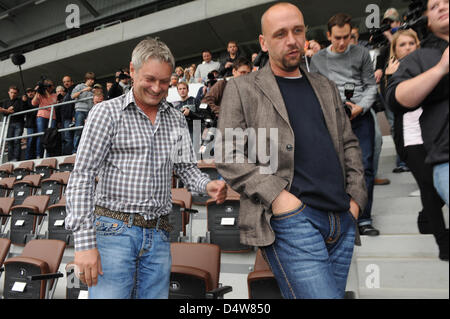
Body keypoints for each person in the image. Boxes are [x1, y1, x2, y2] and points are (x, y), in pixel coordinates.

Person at [216, 2, 366, 299]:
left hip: (341, 218)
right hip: (292, 220)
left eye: (297, 31)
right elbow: (226, 152)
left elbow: (349, 143)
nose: (291, 40)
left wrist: (356, 201)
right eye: (280, 34)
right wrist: (279, 197)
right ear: (263, 42)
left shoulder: (325, 86)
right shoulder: (242, 88)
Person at [65, 37, 227, 299]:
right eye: (150, 79)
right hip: (113, 231)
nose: (157, 88)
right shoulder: (105, 113)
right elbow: (82, 177)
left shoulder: (175, 118)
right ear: (132, 70)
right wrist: (84, 245)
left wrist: (206, 184)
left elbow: (186, 168)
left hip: (160, 235)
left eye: (164, 82)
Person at [310, 13, 379, 236]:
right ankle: (341, 214)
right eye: (337, 37)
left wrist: (360, 107)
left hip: (360, 115)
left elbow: (371, 86)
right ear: (328, 35)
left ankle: (364, 217)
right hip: (332, 118)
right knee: (336, 167)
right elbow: (317, 92)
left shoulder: (361, 53)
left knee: (365, 166)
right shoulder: (318, 59)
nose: (342, 43)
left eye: (347, 37)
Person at [385, 29, 448, 261]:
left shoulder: (430, 64)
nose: (409, 47)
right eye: (403, 44)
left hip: (435, 135)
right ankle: (443, 242)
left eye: (412, 43)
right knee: (429, 187)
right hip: (411, 139)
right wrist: (390, 77)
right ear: (395, 49)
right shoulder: (394, 73)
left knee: (439, 186)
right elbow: (391, 105)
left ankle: (425, 218)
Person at [387, 0, 449, 207]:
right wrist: (441, 68)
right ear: (427, 21)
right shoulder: (421, 58)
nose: (442, 7)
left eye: (447, 2)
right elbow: (396, 97)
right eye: (434, 6)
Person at [31, 79, 57, 158]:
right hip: (41, 116)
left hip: (51, 116)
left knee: (51, 136)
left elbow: (53, 102)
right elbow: (33, 103)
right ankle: (39, 154)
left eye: (50, 86)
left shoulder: (54, 95)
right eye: (47, 86)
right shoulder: (40, 94)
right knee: (41, 135)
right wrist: (38, 92)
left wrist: (46, 92)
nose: (49, 88)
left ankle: (49, 155)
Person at [71, 72, 95, 153]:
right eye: (91, 79)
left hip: (89, 112)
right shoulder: (79, 86)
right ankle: (75, 150)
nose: (92, 81)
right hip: (80, 110)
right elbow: (72, 96)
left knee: (88, 131)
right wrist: (83, 90)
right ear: (88, 79)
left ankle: (86, 150)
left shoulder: (92, 90)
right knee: (78, 130)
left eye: (93, 80)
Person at [1, 86, 24, 161]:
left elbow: (17, 110)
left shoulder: (20, 100)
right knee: (10, 141)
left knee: (17, 141)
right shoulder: (5, 101)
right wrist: (7, 110)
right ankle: (10, 159)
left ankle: (16, 158)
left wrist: (5, 110)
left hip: (18, 123)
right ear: (8, 92)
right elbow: (4, 114)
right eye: (11, 92)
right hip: (9, 124)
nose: (13, 94)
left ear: (17, 94)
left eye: (15, 93)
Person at [60, 76, 76, 155]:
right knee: (66, 138)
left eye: (68, 81)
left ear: (72, 82)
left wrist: (74, 116)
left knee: (69, 138)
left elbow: (75, 104)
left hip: (70, 118)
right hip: (65, 119)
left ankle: (68, 154)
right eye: (64, 82)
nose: (66, 83)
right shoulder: (66, 93)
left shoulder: (73, 90)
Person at [21, 88, 37, 160]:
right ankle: (28, 158)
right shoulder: (26, 101)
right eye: (28, 92)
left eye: (31, 92)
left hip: (38, 123)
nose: (30, 93)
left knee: (38, 140)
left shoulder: (37, 99)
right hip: (30, 124)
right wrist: (24, 102)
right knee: (30, 141)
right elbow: (24, 110)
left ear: (34, 92)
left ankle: (37, 155)